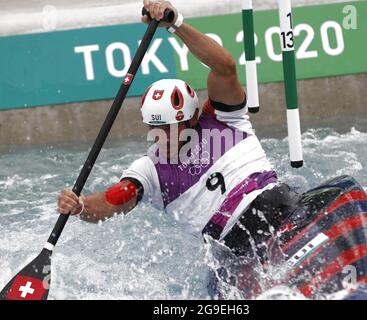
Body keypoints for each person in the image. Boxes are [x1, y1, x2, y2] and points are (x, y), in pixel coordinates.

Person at [57, 0, 299, 298]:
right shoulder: (150, 170)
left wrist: (175, 23)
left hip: (276, 207)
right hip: (231, 249)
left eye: (173, 126)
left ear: (194, 118)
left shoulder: (225, 118)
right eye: (156, 128)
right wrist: (80, 206)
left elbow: (224, 67)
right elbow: (112, 201)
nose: (164, 135)